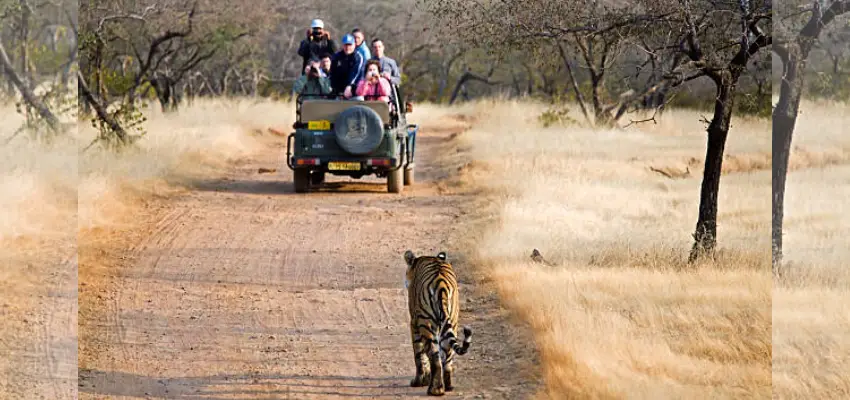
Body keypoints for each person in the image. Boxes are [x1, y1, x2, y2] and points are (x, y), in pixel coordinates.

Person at [330, 34, 366, 98]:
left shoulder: (358, 57)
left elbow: (356, 73)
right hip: (339, 91)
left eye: (350, 45)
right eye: (345, 45)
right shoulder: (337, 56)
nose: (347, 47)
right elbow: (333, 72)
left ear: (354, 45)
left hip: (354, 89)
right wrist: (335, 88)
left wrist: (349, 86)